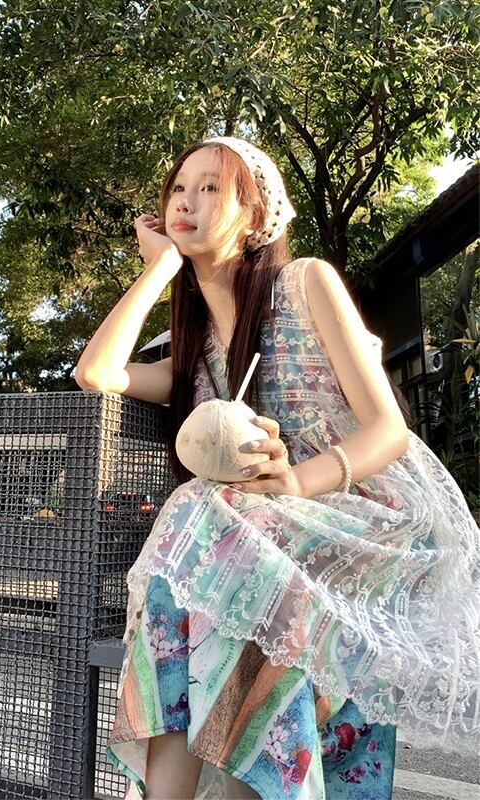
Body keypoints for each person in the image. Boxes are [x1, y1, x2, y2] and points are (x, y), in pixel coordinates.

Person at [75, 136, 479, 800]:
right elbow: (95, 372)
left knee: (202, 514)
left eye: (211, 187)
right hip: (265, 533)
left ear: (255, 213)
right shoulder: (194, 352)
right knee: (220, 557)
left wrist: (295, 481)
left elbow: (388, 429)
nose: (187, 201)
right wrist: (159, 270)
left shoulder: (306, 281)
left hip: (369, 509)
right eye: (179, 189)